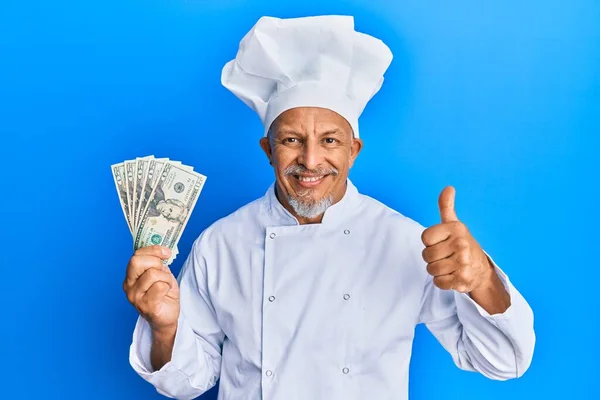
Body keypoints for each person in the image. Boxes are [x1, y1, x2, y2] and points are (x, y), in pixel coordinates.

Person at [123, 15, 535, 400]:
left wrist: (481, 277)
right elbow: (187, 384)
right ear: (268, 149)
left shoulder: (406, 242)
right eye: (290, 140)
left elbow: (504, 361)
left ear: (354, 150)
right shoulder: (220, 244)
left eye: (331, 141)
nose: (312, 160)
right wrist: (165, 327)